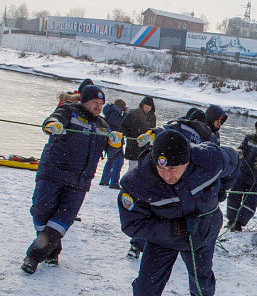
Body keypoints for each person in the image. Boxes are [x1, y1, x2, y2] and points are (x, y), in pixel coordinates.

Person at [118, 130, 239, 296]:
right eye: (162, 168)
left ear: (188, 161)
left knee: (201, 276)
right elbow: (132, 224)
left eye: (174, 168)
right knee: (145, 288)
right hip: (163, 237)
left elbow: (234, 162)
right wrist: (175, 228)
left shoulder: (209, 159)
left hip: (203, 229)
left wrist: (221, 189)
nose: (167, 174)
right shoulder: (138, 182)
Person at [22, 85, 122, 274]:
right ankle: (52, 251)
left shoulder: (103, 124)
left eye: (101, 103)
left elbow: (112, 152)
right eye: (94, 102)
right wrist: (52, 125)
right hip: (53, 172)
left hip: (80, 180)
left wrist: (116, 143)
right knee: (41, 212)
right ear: (84, 100)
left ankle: (34, 256)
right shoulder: (68, 111)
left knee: (63, 219)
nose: (98, 106)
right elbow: (52, 120)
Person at [120, 96, 157, 259]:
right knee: (132, 168)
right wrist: (131, 136)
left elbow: (154, 130)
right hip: (135, 145)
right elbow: (124, 125)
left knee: (143, 170)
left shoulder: (152, 117)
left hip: (147, 148)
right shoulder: (135, 113)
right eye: (145, 106)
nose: (147, 108)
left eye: (149, 106)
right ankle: (129, 189)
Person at [99, 99, 128, 189]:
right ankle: (114, 182)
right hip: (115, 140)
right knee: (119, 161)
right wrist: (126, 115)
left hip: (111, 139)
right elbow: (121, 124)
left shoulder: (111, 111)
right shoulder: (114, 113)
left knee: (111, 160)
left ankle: (105, 180)